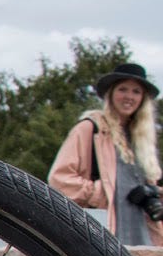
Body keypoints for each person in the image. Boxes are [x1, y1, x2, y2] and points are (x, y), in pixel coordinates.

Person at [49, 62, 163, 246]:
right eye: (123, 89)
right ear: (111, 94)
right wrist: (100, 192)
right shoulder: (90, 129)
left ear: (143, 99)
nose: (129, 97)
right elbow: (59, 179)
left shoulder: (142, 141)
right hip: (103, 237)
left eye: (136, 91)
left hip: (143, 239)